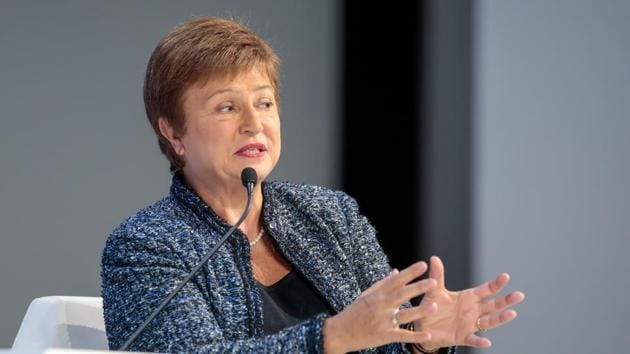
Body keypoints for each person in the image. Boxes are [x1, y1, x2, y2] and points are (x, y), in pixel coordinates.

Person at [101, 16, 524, 353]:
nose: (254, 124)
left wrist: (420, 341)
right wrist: (333, 337)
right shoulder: (144, 246)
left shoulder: (329, 215)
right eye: (227, 107)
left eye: (264, 102)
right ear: (174, 132)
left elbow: (379, 344)